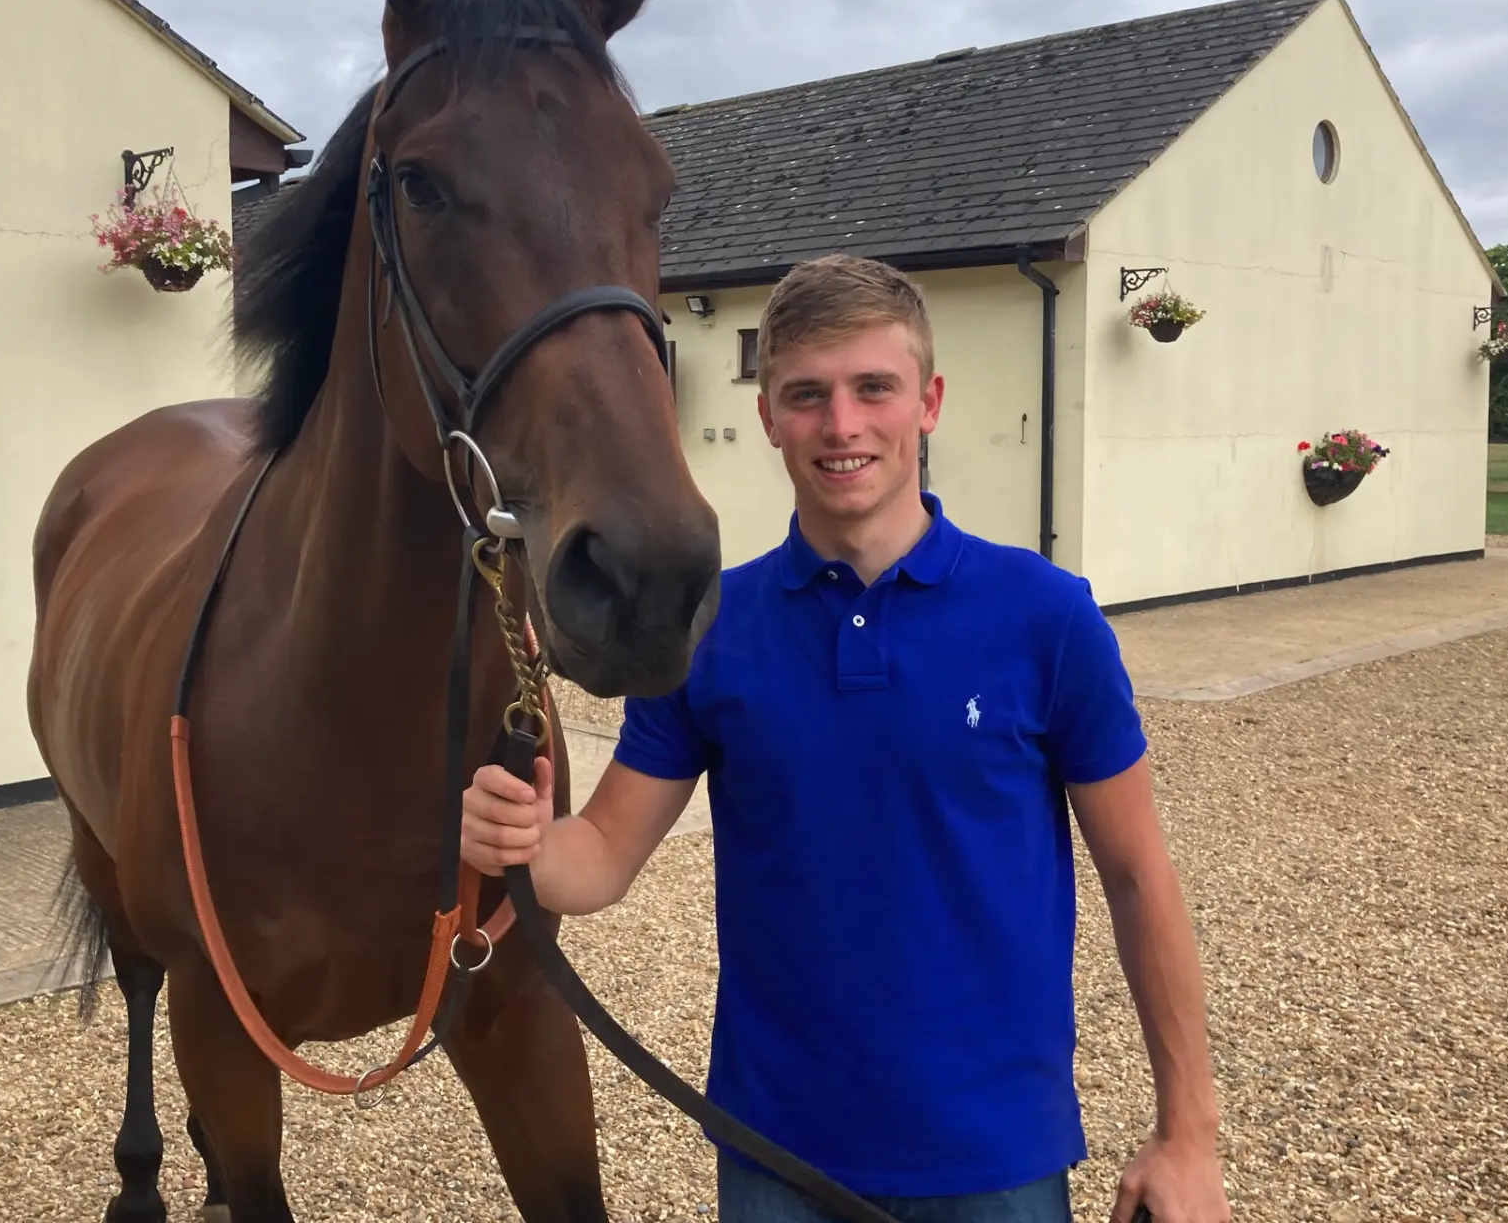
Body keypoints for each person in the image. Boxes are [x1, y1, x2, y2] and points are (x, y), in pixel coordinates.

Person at [462, 254, 1231, 1223]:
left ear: (928, 402)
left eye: (874, 387)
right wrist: (524, 841)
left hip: (995, 1154)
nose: (841, 424)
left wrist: (1188, 1134)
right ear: (767, 416)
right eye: (807, 395)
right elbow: (602, 855)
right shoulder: (713, 627)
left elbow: (1137, 875)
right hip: (776, 1154)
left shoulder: (1045, 618)